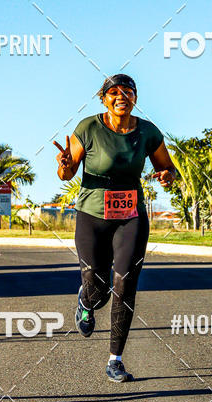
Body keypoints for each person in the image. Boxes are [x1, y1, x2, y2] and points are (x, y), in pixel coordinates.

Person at [53, 74, 175, 383]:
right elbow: (67, 173)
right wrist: (66, 165)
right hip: (92, 216)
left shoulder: (148, 132)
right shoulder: (89, 128)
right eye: (114, 92)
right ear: (104, 98)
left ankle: (115, 360)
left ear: (135, 98)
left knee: (125, 281)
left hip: (131, 216)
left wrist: (166, 176)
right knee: (97, 287)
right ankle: (86, 300)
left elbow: (167, 168)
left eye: (128, 92)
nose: (122, 96)